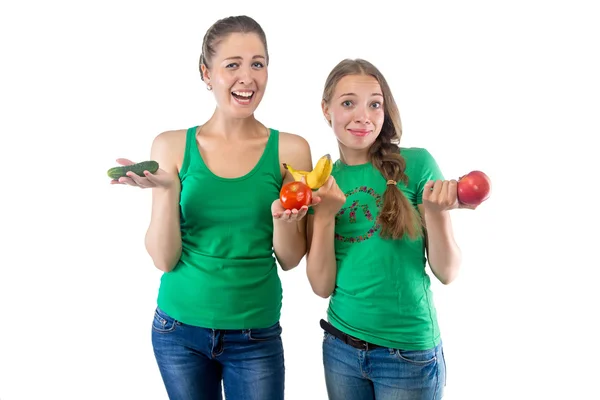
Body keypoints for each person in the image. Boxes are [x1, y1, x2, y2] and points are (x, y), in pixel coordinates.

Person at [110, 15, 316, 400]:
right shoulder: (171, 147)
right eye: (232, 64)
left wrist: (283, 220)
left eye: (258, 63)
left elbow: (289, 259)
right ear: (206, 73)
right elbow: (164, 259)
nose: (247, 77)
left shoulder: (291, 150)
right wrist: (169, 190)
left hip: (255, 334)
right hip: (178, 332)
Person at [306, 58, 476, 400]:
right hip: (341, 349)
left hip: (408, 356)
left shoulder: (417, 164)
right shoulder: (321, 181)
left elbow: (448, 271)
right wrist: (323, 216)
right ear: (326, 110)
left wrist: (436, 213)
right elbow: (322, 286)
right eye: (348, 103)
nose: (363, 116)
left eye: (375, 104)